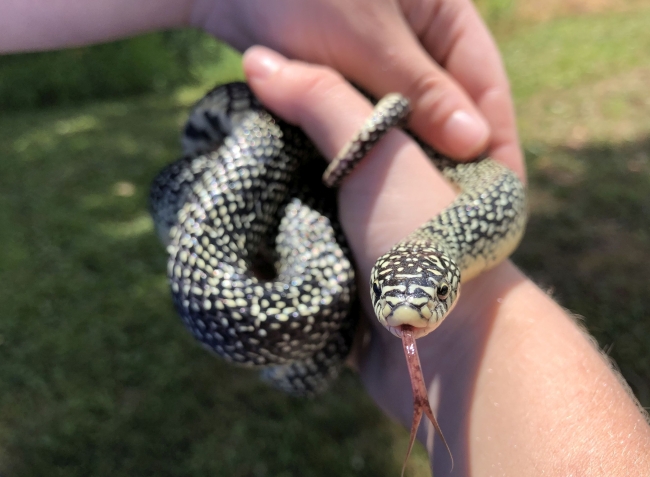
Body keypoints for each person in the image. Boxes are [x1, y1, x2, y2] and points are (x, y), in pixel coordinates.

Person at [2, 1, 649, 475]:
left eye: (435, 300)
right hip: (258, 162)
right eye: (388, 298)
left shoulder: (480, 211)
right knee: (210, 172)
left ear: (450, 272)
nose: (408, 318)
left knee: (211, 176)